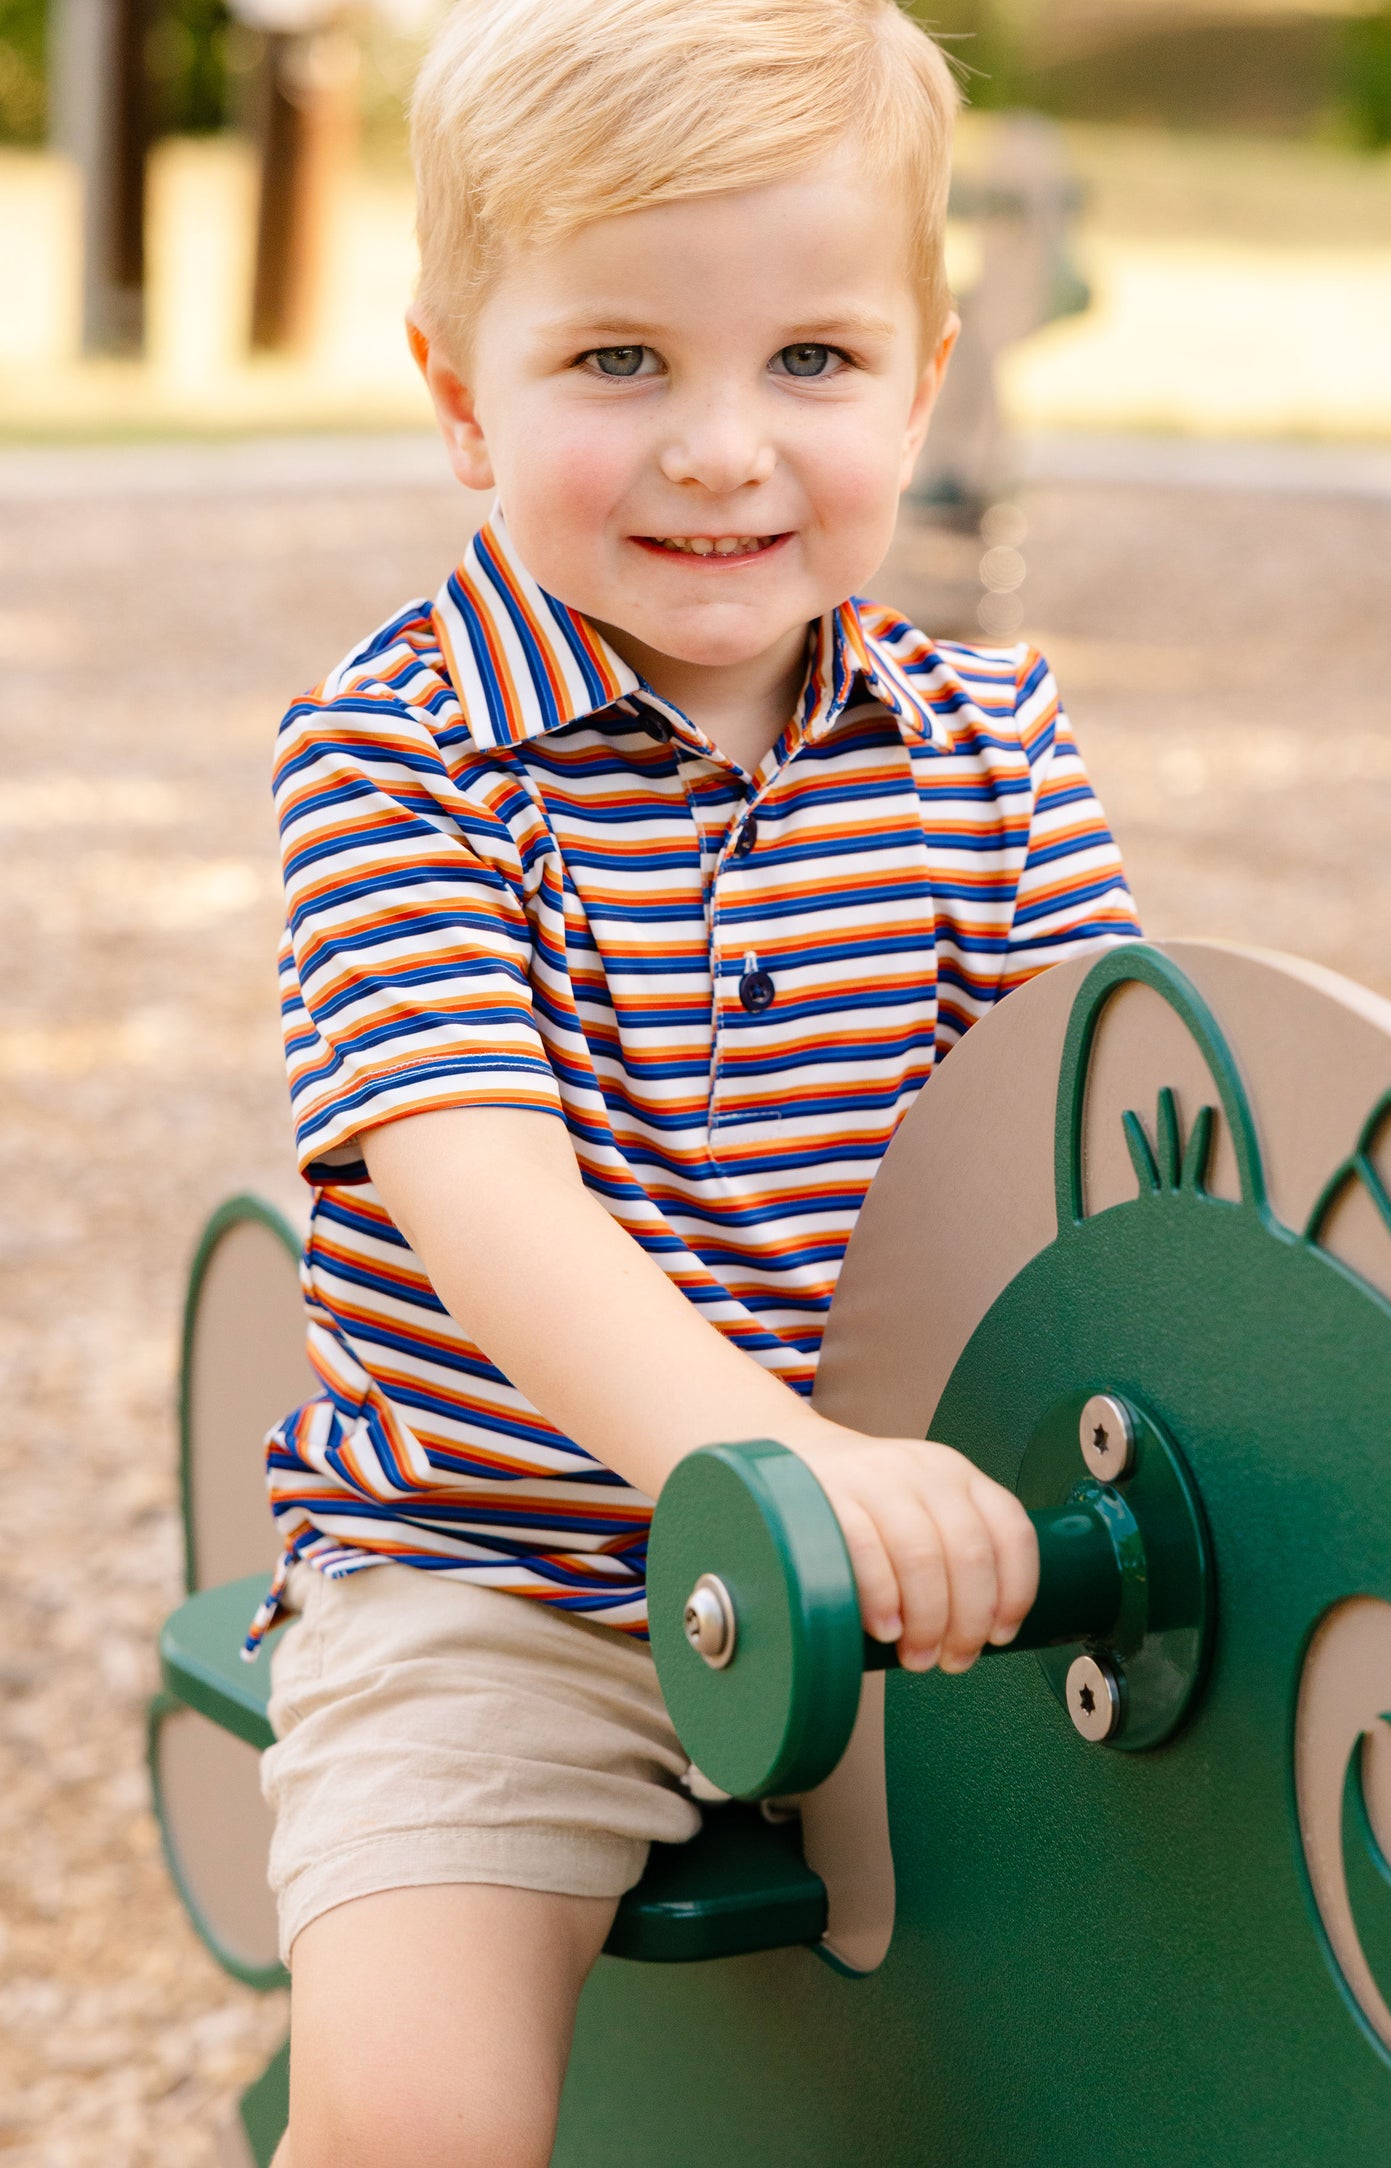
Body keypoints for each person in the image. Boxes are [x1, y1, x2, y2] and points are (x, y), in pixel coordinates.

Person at [253, 0, 1139, 2158]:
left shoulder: (989, 744)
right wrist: (780, 1463)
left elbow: (1089, 1151)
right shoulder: (402, 759)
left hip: (938, 1563)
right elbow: (495, 1217)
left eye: (811, 361)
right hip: (508, 1575)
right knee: (423, 2112)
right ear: (465, 397)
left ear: (925, 380)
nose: (724, 446)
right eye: (622, 359)